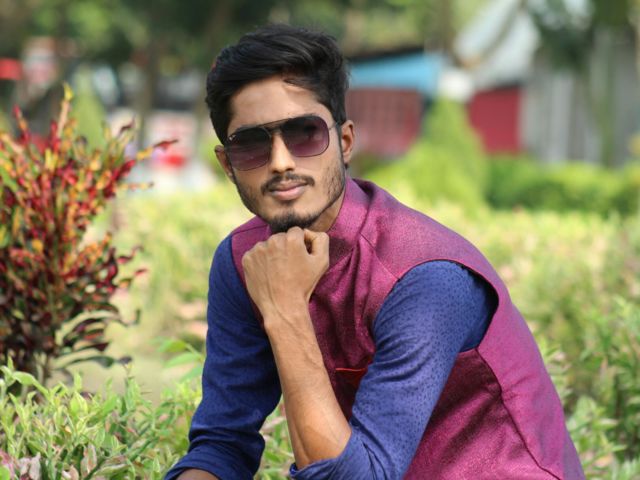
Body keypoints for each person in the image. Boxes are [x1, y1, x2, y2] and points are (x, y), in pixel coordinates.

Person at [165, 24, 584, 480]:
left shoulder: (423, 275)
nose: (281, 162)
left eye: (304, 134)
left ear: (345, 142)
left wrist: (285, 311)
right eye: (251, 145)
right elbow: (222, 444)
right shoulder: (244, 262)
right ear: (227, 165)